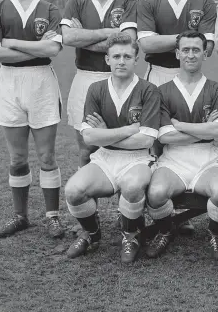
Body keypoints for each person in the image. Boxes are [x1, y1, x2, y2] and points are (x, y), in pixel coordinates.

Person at [0, 0, 65, 239]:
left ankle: (53, 216)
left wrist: (13, 43)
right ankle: (20, 216)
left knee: (47, 156)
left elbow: (53, 49)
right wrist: (34, 48)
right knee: (17, 158)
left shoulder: (50, 9)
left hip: (42, 83)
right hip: (9, 84)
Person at [137, 0, 217, 234]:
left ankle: (176, 216)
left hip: (193, 78)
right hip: (157, 74)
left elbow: (207, 47)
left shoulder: (205, 1)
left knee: (190, 138)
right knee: (153, 143)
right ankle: (161, 218)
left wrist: (170, 40)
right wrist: (188, 41)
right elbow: (145, 42)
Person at [65, 33, 158, 263]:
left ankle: (130, 235)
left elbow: (146, 140)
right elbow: (88, 136)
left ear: (137, 59)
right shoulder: (96, 89)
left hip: (138, 158)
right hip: (105, 157)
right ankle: (92, 234)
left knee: (132, 185)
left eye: (127, 56)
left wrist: (104, 134)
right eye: (116, 56)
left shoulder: (148, 90)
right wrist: (127, 130)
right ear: (107, 59)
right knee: (73, 191)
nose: (121, 61)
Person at [145, 31, 218, 262]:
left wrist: (180, 125)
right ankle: (166, 229)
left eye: (196, 50)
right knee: (156, 194)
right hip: (173, 160)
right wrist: (203, 130)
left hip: (208, 159)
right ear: (177, 53)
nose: (190, 55)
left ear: (205, 53)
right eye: (186, 50)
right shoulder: (162, 91)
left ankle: (215, 233)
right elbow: (164, 138)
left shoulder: (217, 89)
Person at [61, 0, 138, 167]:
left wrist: (83, 36)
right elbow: (67, 37)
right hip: (85, 78)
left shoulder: (128, 1)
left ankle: (124, 202)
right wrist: (107, 33)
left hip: (120, 81)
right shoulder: (77, 0)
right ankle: (84, 200)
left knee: (125, 147)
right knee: (86, 149)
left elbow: (128, 42)